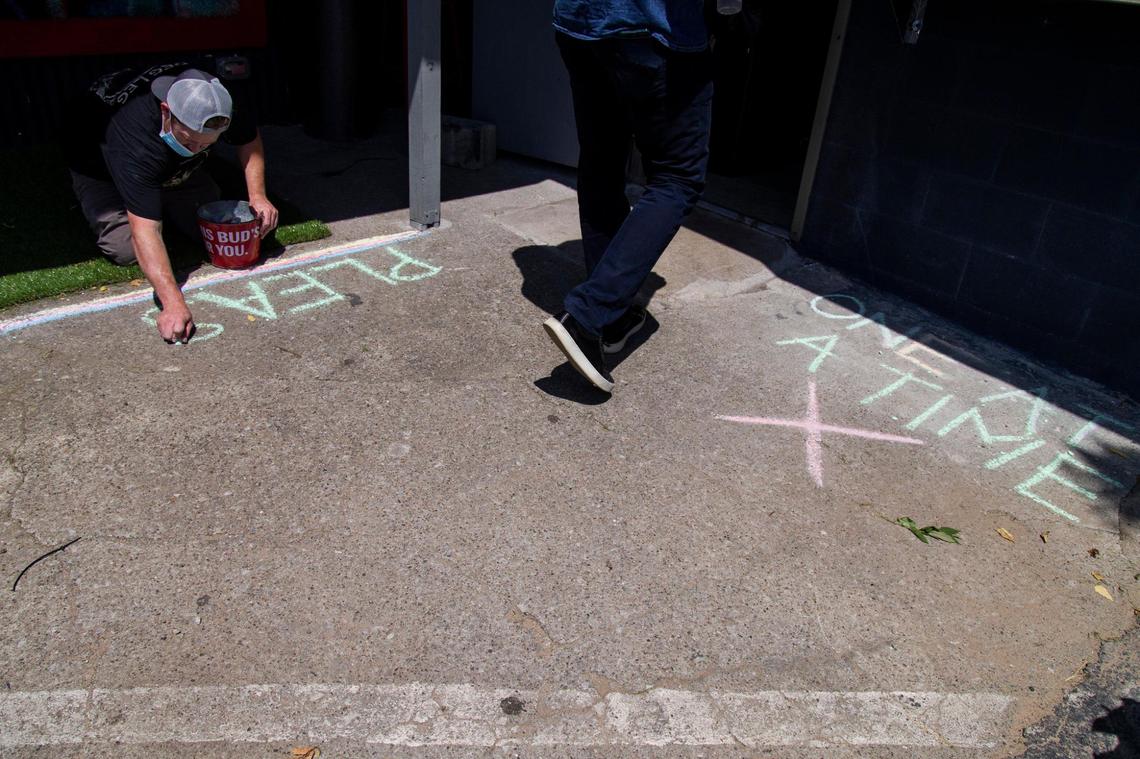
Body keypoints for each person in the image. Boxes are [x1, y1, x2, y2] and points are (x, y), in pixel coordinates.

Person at [543, 0, 714, 393]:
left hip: (579, 23)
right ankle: (587, 315)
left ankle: (612, 319)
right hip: (653, 30)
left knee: (600, 165)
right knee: (678, 178)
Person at [65, 62, 279, 343]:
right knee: (125, 248)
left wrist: (258, 195)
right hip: (99, 165)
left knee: (218, 228)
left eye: (207, 145)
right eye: (191, 142)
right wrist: (172, 302)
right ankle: (145, 198)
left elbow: (248, 141)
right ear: (167, 111)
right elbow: (145, 229)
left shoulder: (220, 101)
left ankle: (165, 195)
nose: (198, 149)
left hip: (170, 165)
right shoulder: (134, 140)